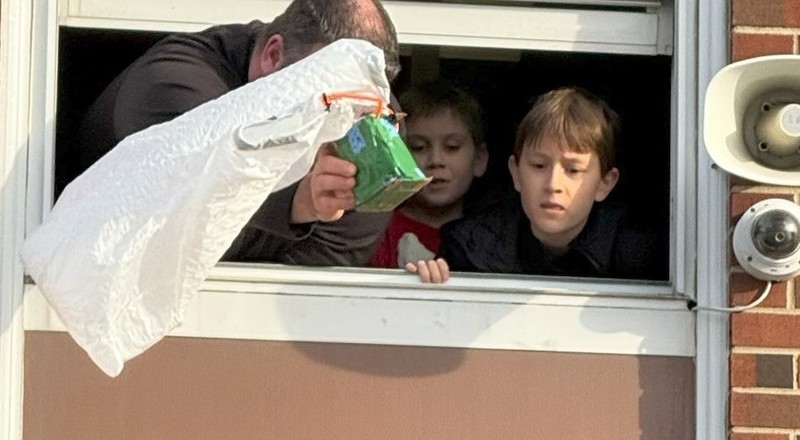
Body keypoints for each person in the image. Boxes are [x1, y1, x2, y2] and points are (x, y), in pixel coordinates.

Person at [56, 0, 402, 267]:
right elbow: (188, 205)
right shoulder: (172, 83)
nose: (340, 122)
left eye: (358, 107)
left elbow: (324, 264)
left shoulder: (368, 113)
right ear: (274, 55)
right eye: (327, 98)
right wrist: (301, 202)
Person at [409, 86, 665, 283]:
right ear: (516, 173)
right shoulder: (470, 247)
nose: (553, 184)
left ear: (604, 183)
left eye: (573, 170)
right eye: (539, 166)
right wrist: (432, 281)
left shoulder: (640, 256)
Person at [370, 79, 489, 269]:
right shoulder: (377, 232)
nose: (436, 160)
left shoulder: (491, 238)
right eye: (419, 147)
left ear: (479, 160)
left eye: (452, 147)